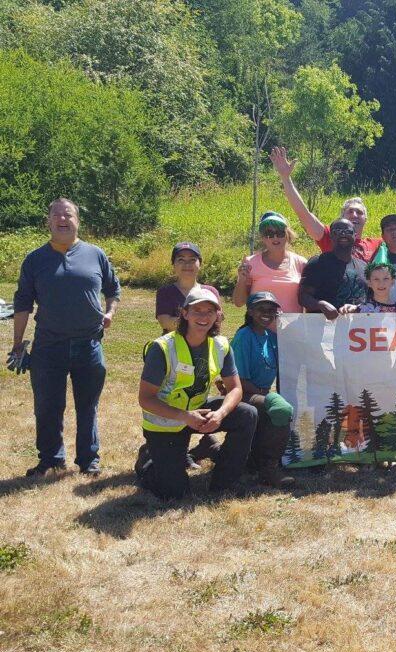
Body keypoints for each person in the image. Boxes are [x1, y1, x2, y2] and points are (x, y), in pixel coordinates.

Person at [11, 198, 120, 477]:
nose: (62, 219)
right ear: (48, 221)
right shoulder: (35, 260)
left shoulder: (95, 254)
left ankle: (89, 460)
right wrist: (17, 343)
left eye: (68, 214)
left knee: (88, 406)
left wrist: (110, 312)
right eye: (56, 215)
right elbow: (23, 303)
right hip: (49, 346)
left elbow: (113, 289)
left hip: (90, 345)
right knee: (47, 406)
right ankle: (50, 459)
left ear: (77, 220)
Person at [137, 288, 257, 499]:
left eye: (210, 311)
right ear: (184, 313)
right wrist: (184, 416)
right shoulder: (162, 348)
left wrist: (220, 414)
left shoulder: (221, 345)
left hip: (198, 411)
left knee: (247, 414)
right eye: (197, 310)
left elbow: (236, 388)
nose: (204, 317)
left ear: (218, 315)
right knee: (173, 494)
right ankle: (147, 461)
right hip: (166, 422)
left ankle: (225, 482)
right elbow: (145, 399)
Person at [270, 145, 396, 260]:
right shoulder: (329, 237)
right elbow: (303, 213)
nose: (354, 215)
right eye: (349, 211)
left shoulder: (376, 244)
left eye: (359, 212)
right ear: (341, 217)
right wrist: (286, 178)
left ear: (365, 219)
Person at [230, 292, 296, 488]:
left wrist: (284, 319)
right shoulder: (244, 337)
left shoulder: (272, 336)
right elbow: (239, 379)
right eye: (261, 309)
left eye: (271, 310)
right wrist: (264, 394)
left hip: (261, 392)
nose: (266, 313)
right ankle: (270, 468)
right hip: (243, 392)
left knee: (274, 408)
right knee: (281, 409)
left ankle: (255, 460)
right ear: (250, 311)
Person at [232, 212, 307, 314]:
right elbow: (239, 302)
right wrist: (241, 280)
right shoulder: (250, 263)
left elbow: (309, 300)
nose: (275, 237)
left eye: (280, 233)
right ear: (262, 238)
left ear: (287, 235)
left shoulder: (301, 263)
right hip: (259, 329)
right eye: (269, 234)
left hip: (292, 329)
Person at [299, 219, 368, 320]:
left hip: (358, 328)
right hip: (324, 328)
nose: (343, 234)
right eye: (338, 231)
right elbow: (303, 296)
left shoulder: (364, 267)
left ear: (355, 235)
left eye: (348, 231)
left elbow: (371, 298)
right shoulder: (318, 262)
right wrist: (320, 305)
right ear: (331, 236)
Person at [155, 243, 220, 333]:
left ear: (200, 264)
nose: (187, 264)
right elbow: (165, 323)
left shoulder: (211, 291)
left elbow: (218, 320)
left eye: (192, 260)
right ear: (173, 264)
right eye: (181, 260)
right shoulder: (165, 292)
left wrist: (185, 320)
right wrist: (201, 321)